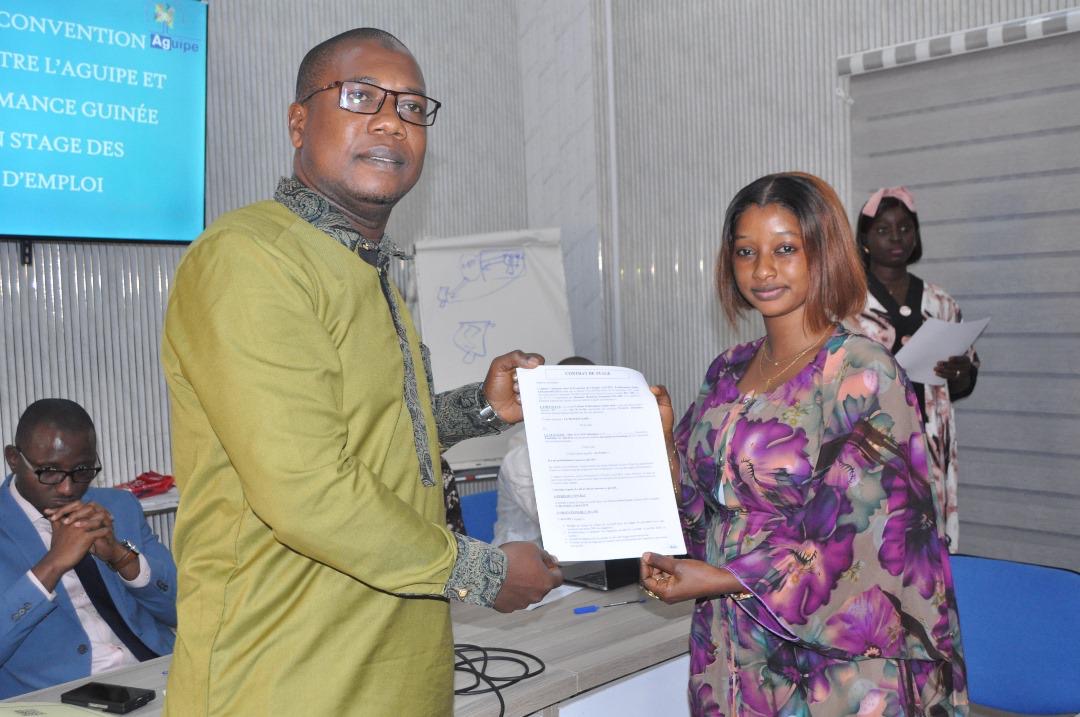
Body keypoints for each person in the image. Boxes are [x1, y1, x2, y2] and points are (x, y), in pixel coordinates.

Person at [160, 28, 562, 716]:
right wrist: (485, 569)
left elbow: (372, 433)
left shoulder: (367, 267)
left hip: (398, 671)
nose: (390, 121)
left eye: (412, 107)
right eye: (360, 97)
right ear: (298, 122)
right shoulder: (251, 258)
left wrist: (481, 407)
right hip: (281, 678)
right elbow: (308, 488)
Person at [639, 173, 967, 715]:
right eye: (746, 251)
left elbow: (863, 533)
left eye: (785, 249)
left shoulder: (860, 370)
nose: (762, 270)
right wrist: (665, 450)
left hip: (833, 667)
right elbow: (703, 512)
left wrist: (724, 577)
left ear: (824, 252)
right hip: (731, 644)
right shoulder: (727, 371)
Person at [0, 399, 176, 698]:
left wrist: (122, 557)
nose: (67, 488)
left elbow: (182, 608)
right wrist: (52, 565)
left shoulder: (119, 506)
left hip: (158, 676)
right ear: (14, 459)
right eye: (49, 471)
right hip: (58, 696)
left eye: (82, 470)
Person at [845, 187, 978, 550]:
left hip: (931, 440)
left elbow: (964, 382)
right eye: (883, 230)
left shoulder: (940, 302)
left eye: (905, 228)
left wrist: (960, 374)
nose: (896, 237)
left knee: (929, 540)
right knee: (876, 539)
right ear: (865, 239)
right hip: (872, 441)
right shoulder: (846, 303)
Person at [493, 356, 594, 546]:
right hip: (525, 555)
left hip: (585, 552)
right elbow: (556, 521)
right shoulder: (522, 453)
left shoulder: (597, 441)